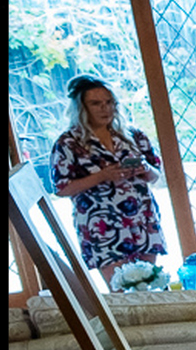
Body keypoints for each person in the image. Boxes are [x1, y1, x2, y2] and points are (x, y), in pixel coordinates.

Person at [49, 76, 167, 287]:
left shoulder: (134, 135)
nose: (105, 109)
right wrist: (102, 176)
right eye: (96, 104)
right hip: (101, 224)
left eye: (109, 102)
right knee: (119, 289)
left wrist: (144, 169)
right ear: (81, 108)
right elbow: (61, 188)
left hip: (141, 217)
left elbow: (156, 175)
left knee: (148, 286)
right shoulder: (68, 143)